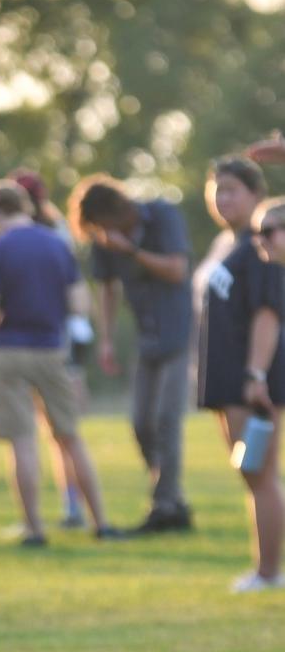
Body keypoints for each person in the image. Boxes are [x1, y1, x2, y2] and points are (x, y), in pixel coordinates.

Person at [0, 183, 121, 545]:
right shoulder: (58, 244)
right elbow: (79, 304)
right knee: (69, 437)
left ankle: (34, 528)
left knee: (22, 442)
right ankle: (100, 522)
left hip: (9, 350)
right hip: (51, 349)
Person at [70, 174, 194, 533]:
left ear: (118, 210)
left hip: (179, 333)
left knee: (167, 421)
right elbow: (107, 289)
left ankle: (165, 506)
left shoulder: (162, 216)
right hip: (147, 338)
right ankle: (172, 499)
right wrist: (106, 339)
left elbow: (177, 270)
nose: (101, 234)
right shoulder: (105, 239)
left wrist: (132, 251)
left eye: (102, 225)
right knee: (141, 424)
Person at [196, 163, 285, 591]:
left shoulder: (262, 243)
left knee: (260, 473)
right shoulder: (229, 244)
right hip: (228, 374)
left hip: (248, 377)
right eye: (216, 190)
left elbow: (268, 313)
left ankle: (269, 572)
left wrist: (255, 374)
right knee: (251, 472)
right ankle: (265, 570)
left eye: (232, 190)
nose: (222, 199)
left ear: (255, 194)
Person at [12, 169, 91, 528]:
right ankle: (73, 506)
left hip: (30, 344)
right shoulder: (60, 232)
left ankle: (44, 517)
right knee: (63, 432)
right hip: (62, 342)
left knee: (36, 434)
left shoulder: (17, 238)